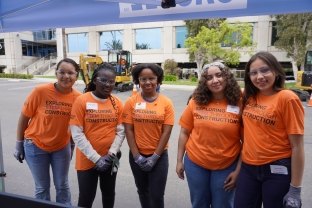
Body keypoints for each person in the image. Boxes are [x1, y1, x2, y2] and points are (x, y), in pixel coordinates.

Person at [234, 51, 305, 208]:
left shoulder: (287, 98)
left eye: (265, 70)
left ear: (276, 71)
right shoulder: (247, 96)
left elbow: (297, 146)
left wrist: (295, 189)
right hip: (248, 168)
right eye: (253, 73)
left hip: (277, 169)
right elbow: (221, 92)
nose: (259, 77)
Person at [13, 58, 81, 205]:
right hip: (35, 145)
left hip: (61, 148)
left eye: (70, 73)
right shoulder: (40, 92)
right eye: (62, 72)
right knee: (42, 187)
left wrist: (71, 146)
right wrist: (19, 143)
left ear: (77, 76)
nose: (66, 76)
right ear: (56, 73)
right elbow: (24, 118)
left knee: (62, 185)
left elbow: (76, 126)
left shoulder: (78, 98)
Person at [176, 62, 243, 208]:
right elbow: (184, 132)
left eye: (219, 75)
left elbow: (247, 141)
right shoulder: (196, 101)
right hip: (196, 163)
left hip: (227, 165)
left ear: (227, 77)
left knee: (223, 204)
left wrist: (238, 171)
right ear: (204, 82)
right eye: (209, 77)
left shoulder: (240, 102)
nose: (215, 80)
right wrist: (179, 161)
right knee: (199, 203)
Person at [70, 63, 125, 208]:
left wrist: (111, 154)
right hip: (87, 160)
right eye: (103, 80)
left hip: (111, 159)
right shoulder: (82, 100)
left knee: (109, 194)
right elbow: (77, 134)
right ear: (95, 80)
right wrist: (96, 159)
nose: (108, 84)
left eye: (111, 81)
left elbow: (121, 131)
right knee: (86, 198)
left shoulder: (117, 103)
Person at [122, 63, 175, 208]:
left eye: (151, 78)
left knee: (157, 195)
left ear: (158, 80)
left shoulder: (166, 103)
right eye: (143, 79)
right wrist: (136, 156)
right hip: (137, 155)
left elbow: (167, 131)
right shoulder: (131, 102)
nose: (147, 82)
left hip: (159, 157)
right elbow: (129, 130)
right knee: (143, 191)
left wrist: (155, 157)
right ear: (137, 80)